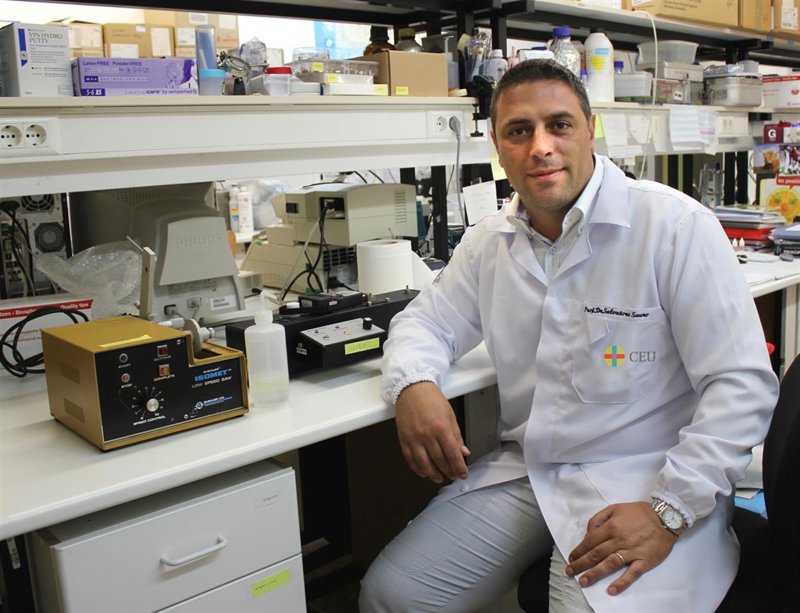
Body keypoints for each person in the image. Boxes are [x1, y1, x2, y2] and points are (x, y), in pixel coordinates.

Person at [358, 59, 779, 612]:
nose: (540, 147)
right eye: (519, 131)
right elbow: (424, 322)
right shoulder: (489, 243)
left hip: (651, 474)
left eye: (558, 125)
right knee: (393, 596)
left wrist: (669, 510)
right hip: (532, 471)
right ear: (497, 146)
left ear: (589, 130)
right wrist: (414, 384)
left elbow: (740, 385)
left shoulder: (674, 227)